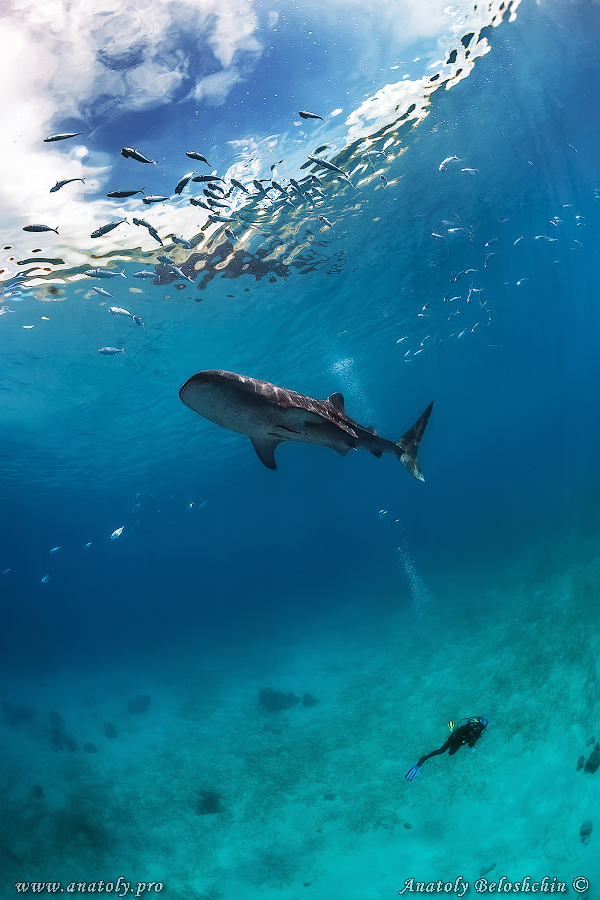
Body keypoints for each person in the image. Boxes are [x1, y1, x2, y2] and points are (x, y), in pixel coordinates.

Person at [405, 716, 488, 780]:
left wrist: (472, 746)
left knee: (451, 753)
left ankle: (454, 729)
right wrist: (464, 739)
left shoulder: (478, 732)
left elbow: (472, 742)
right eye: (480, 726)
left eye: (482, 728)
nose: (479, 728)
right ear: (478, 723)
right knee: (441, 751)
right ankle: (423, 758)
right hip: (455, 737)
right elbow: (460, 732)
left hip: (459, 741)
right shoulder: (470, 726)